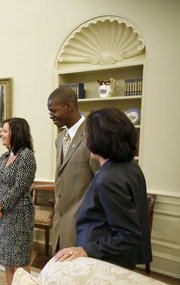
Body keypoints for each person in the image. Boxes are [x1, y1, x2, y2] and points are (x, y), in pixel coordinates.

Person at [55, 107, 152, 269]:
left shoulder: (110, 178)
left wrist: (86, 250)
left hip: (104, 263)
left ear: (101, 139)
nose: (86, 140)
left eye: (89, 135)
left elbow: (129, 235)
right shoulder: (130, 167)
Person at [0, 117, 36, 285]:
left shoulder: (27, 156)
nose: (1, 134)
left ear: (16, 133)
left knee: (19, 261)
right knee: (8, 260)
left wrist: (0, 206)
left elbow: (19, 188)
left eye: (4, 131)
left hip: (19, 216)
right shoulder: (3, 157)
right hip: (2, 216)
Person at [48, 87, 99, 254]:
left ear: (69, 106)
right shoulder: (60, 139)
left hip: (82, 227)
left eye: (54, 111)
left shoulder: (93, 135)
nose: (51, 116)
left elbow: (100, 184)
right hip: (60, 224)